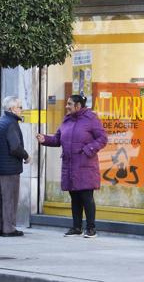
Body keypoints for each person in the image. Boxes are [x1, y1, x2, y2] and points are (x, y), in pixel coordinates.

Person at [37, 94, 107, 238]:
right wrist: (45, 139)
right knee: (74, 197)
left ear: (78, 106)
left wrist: (88, 150)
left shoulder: (91, 119)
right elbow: (58, 139)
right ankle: (76, 227)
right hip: (69, 165)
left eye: (69, 104)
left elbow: (102, 138)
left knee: (86, 197)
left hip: (85, 165)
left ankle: (91, 228)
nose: (66, 106)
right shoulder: (66, 120)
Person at [0, 96, 30, 237]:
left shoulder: (0, 121)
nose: (21, 109)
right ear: (12, 109)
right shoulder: (11, 123)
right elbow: (15, 147)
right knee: (10, 198)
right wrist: (26, 156)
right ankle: (9, 228)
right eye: (20, 107)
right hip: (9, 168)